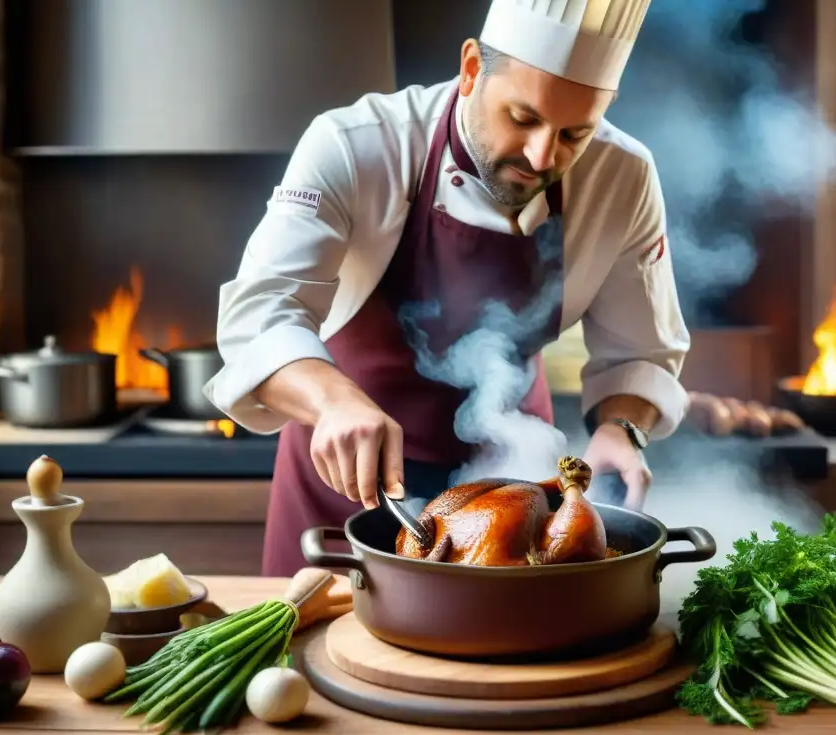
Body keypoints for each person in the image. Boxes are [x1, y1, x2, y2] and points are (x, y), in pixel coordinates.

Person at [203, 0, 691, 577]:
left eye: (574, 134)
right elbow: (261, 311)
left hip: (517, 484)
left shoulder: (624, 176)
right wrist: (332, 402)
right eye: (523, 118)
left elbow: (639, 352)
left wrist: (621, 428)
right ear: (469, 70)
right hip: (349, 485)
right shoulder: (356, 144)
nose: (542, 156)